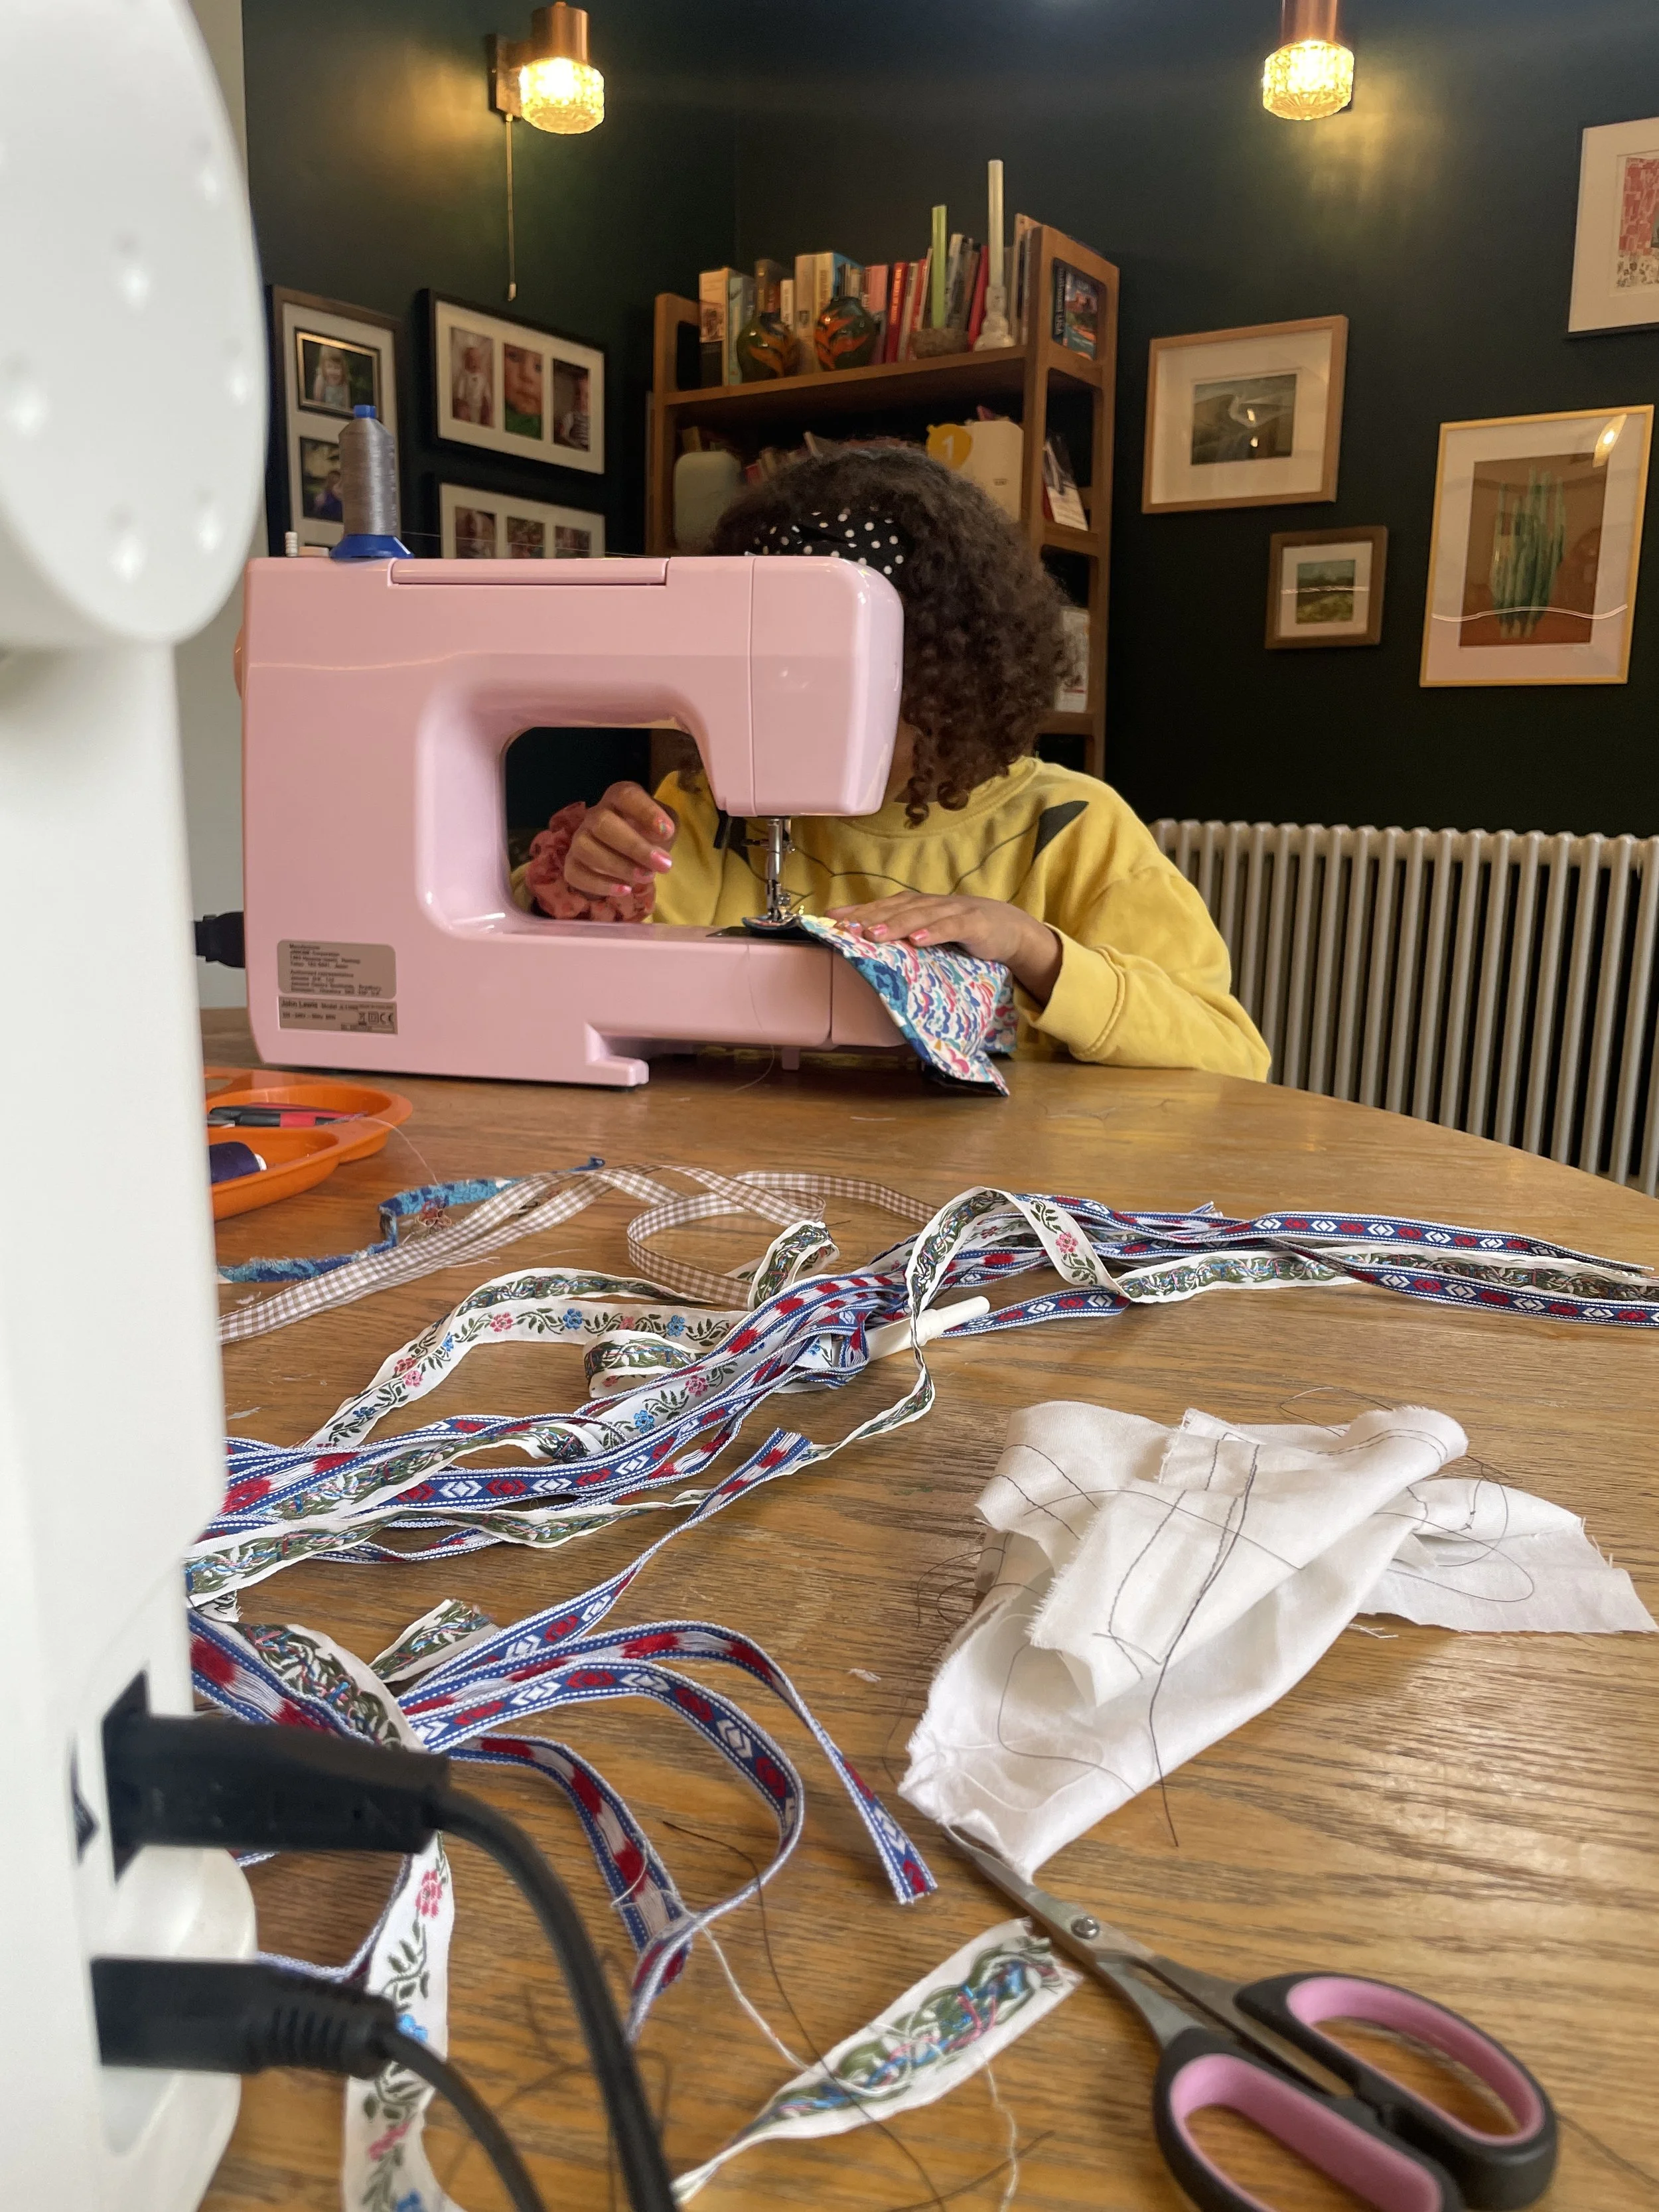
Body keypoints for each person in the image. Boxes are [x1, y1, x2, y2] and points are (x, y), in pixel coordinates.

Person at [518, 449, 1269, 1078]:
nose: (800, 717)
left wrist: (1034, 950)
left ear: (957, 679)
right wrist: (574, 886)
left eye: (849, 693)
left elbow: (1227, 1053)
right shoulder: (698, 809)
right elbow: (569, 991)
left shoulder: (1071, 830)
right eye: (775, 687)